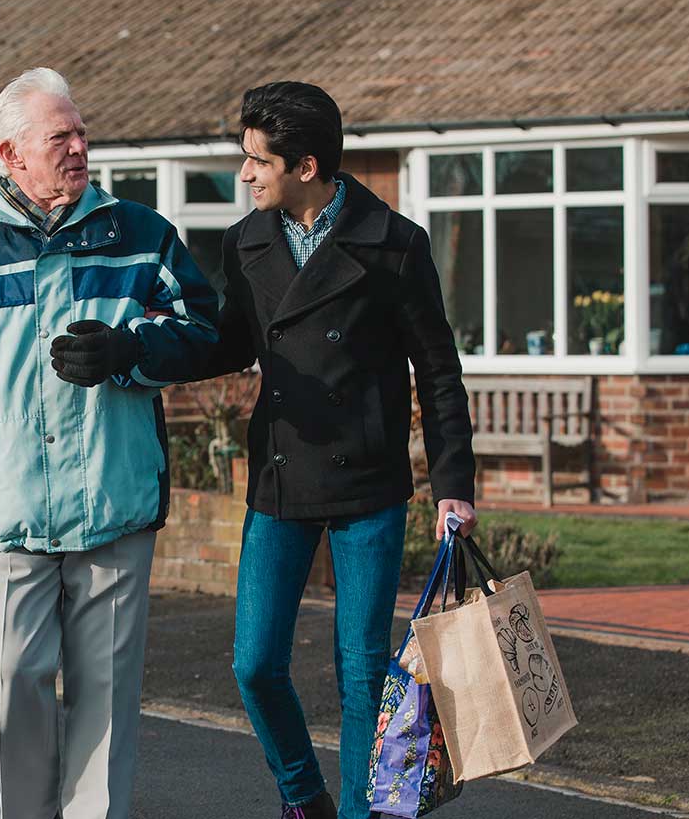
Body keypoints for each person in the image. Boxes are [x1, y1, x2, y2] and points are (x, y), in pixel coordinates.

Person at [0, 67, 218, 819]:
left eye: (81, 133)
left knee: (106, 702)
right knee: (13, 679)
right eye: (60, 137)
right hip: (10, 513)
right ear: (10, 154)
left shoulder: (142, 236)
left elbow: (203, 331)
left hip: (114, 507)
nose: (80, 148)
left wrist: (128, 348)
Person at [173, 82, 478, 819]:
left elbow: (437, 370)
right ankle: (303, 796)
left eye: (257, 162)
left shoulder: (393, 243)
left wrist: (451, 485)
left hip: (367, 484)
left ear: (306, 166)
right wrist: (137, 350)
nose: (245, 175)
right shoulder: (245, 241)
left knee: (362, 673)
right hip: (281, 476)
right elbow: (227, 344)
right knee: (254, 665)